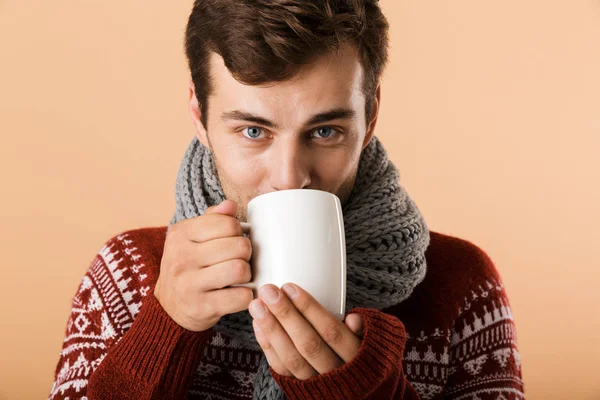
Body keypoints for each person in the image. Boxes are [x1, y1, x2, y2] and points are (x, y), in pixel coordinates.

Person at [49, 1, 524, 399]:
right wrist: (165, 325)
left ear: (370, 117)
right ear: (200, 117)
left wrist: (365, 390)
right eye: (253, 131)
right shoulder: (128, 273)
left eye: (324, 131)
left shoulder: (461, 286)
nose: (289, 177)